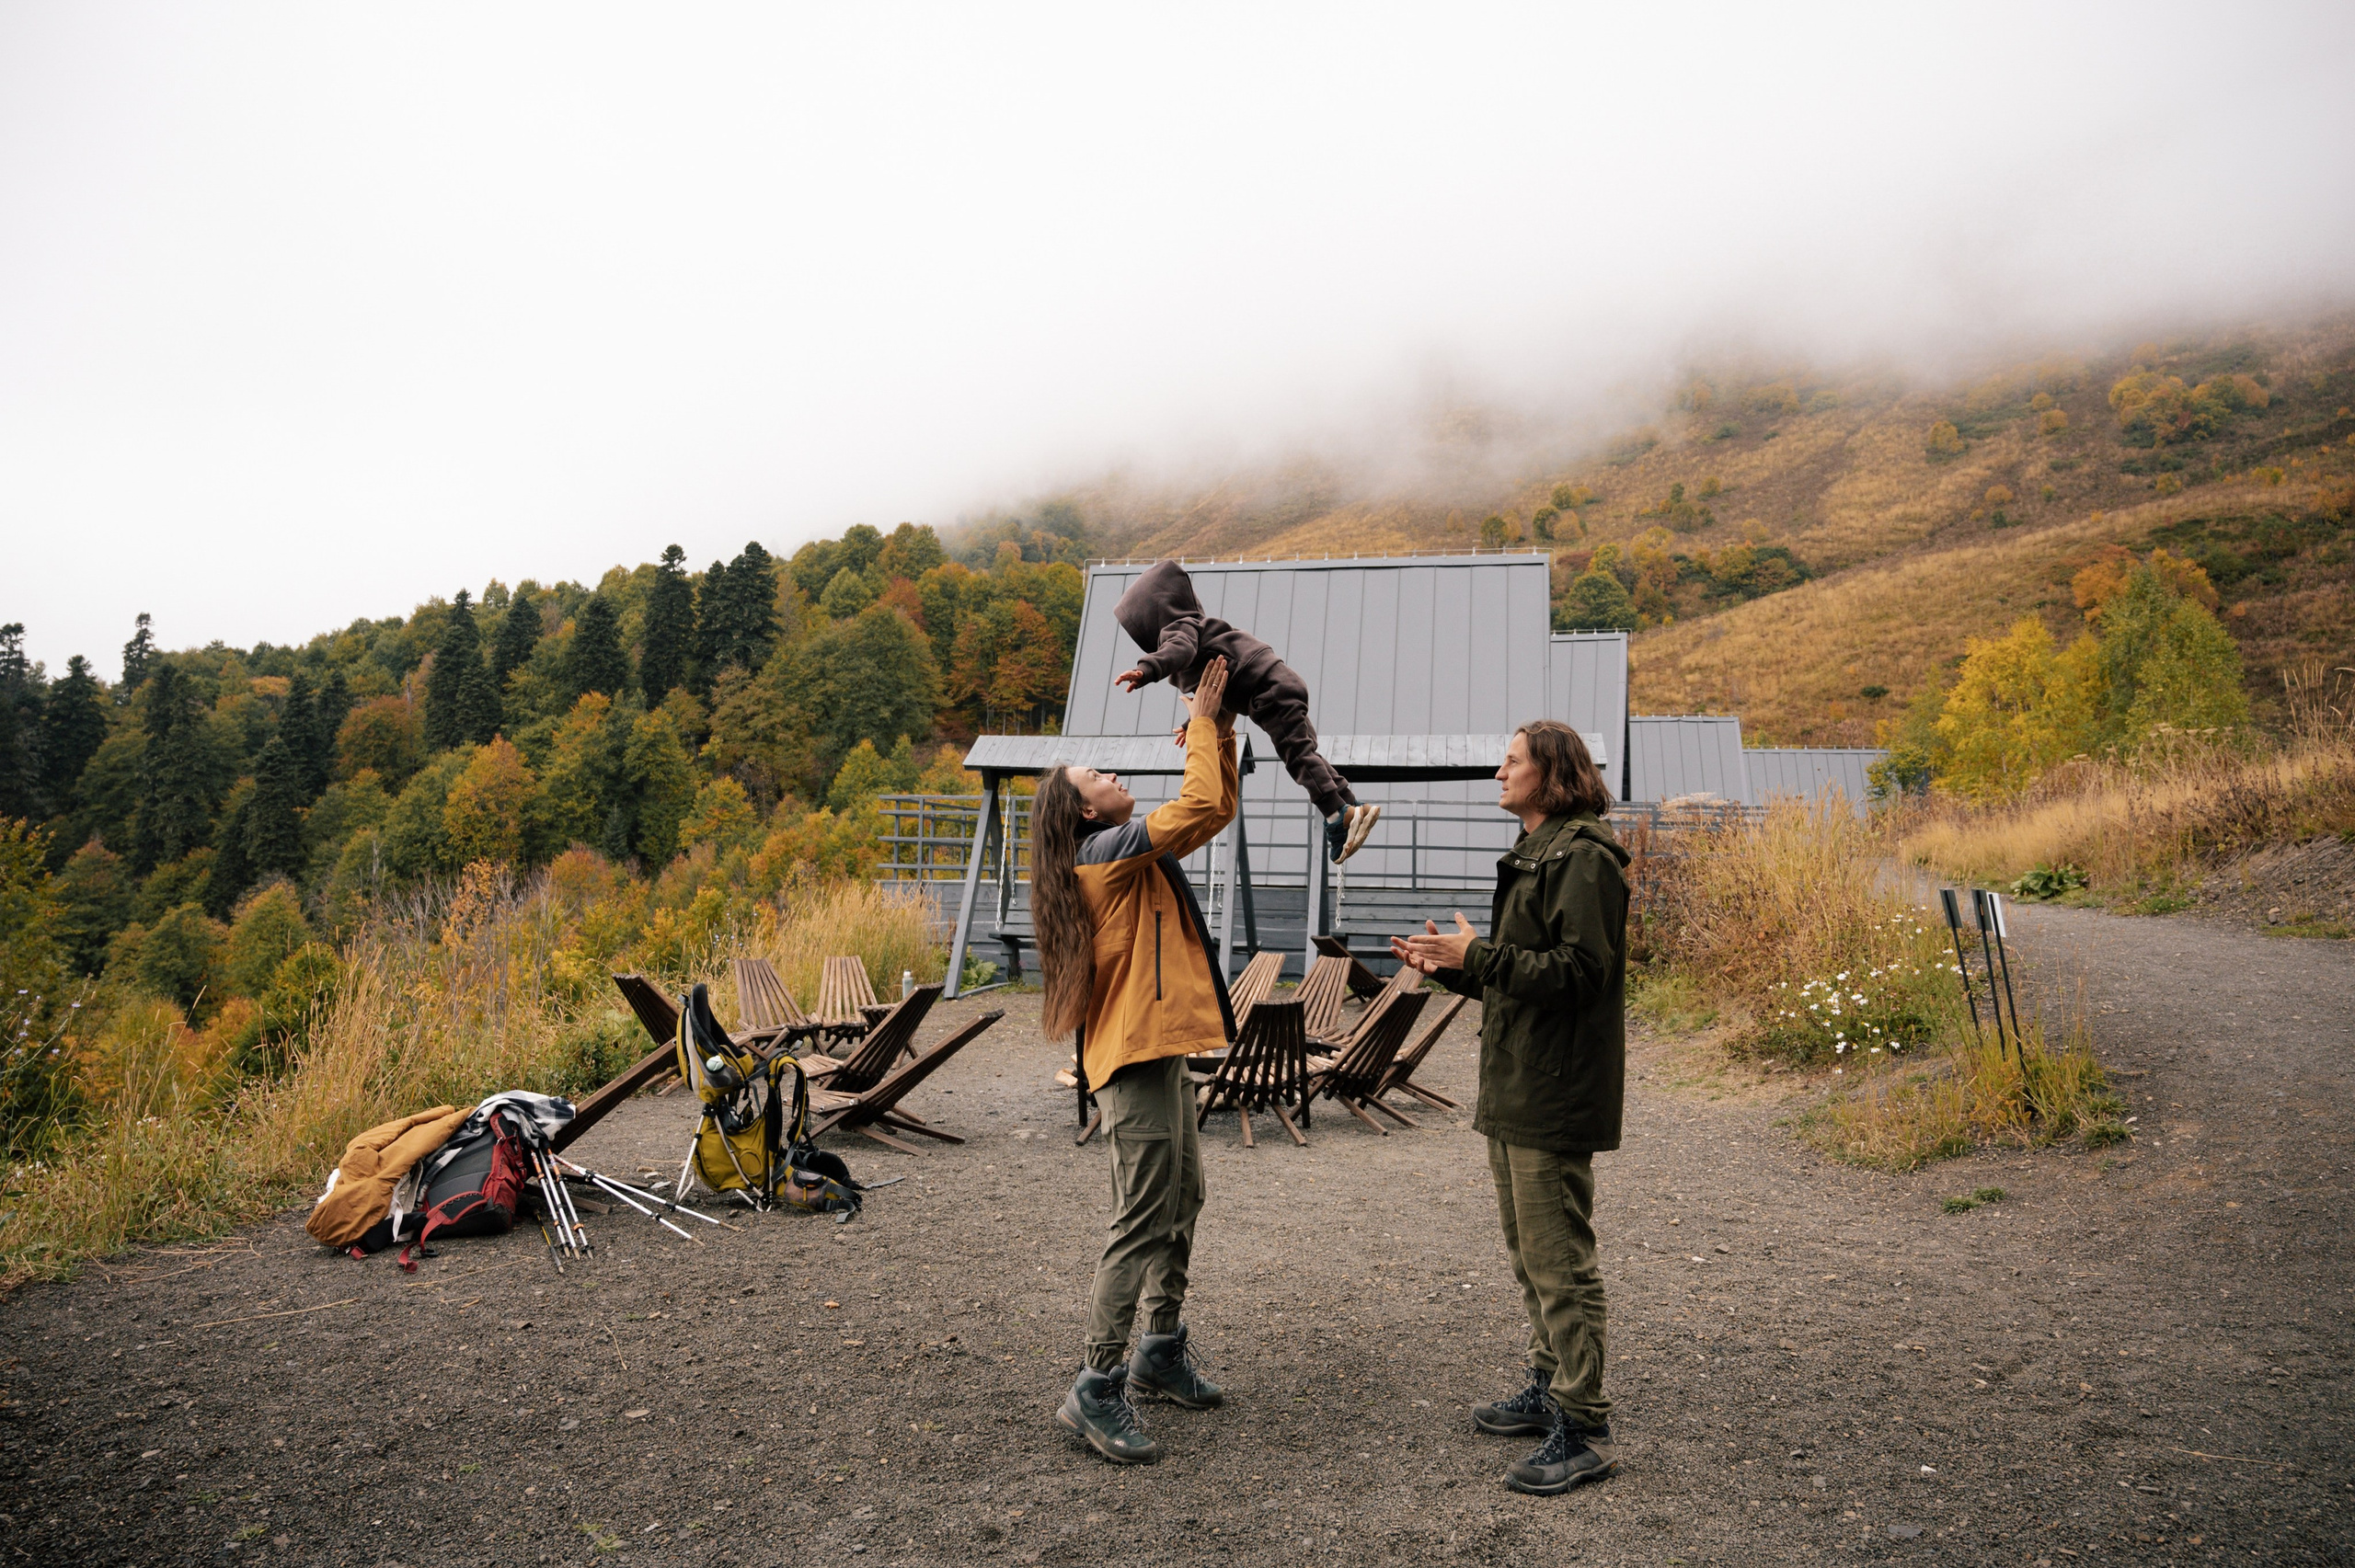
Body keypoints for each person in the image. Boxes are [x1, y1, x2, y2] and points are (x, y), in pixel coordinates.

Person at [1392, 720, 1629, 1496]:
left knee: (1560, 1258)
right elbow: (1522, 974)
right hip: (1517, 1082)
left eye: (1513, 759)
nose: (1500, 769)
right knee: (1531, 1254)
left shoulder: (1585, 857)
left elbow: (1582, 971)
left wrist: (1480, 956)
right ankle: (1547, 1382)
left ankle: (1584, 1423)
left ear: (1551, 773)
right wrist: (1453, 965)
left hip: (1553, 1088)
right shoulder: (1540, 850)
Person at [1032, 655, 1238, 1464]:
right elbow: (1195, 806)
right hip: (1131, 1056)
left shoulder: (1117, 850)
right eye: (1100, 772)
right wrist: (1205, 730)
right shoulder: (1103, 854)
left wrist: (1209, 734)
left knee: (1183, 1193)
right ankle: (1096, 1383)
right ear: (1084, 809)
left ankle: (1158, 1347)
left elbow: (1209, 806)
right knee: (1141, 1215)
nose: (1115, 773)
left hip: (1158, 1048)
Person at [1112, 559, 1382, 863]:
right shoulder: (1204, 630)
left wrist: (1147, 669)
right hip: (1281, 682)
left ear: (1152, 615)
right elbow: (1216, 689)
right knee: (1307, 752)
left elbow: (1180, 651)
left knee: (1297, 758)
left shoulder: (1177, 629)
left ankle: (1335, 815)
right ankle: (1353, 805)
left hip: (1266, 693)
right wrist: (1193, 722)